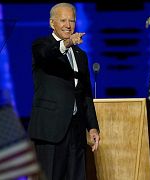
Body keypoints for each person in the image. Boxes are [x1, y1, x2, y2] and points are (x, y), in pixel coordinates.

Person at [28, 2, 100, 180]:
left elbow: (85, 94)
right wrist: (67, 43)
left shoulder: (81, 56)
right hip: (50, 131)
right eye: (63, 20)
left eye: (72, 21)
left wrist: (92, 127)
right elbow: (47, 55)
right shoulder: (41, 45)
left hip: (76, 131)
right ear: (52, 23)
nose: (68, 25)